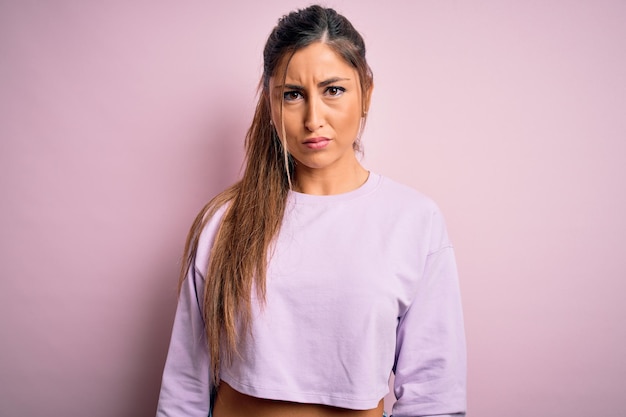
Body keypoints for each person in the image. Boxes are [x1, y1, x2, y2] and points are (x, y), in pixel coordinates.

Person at [156, 5, 466, 417]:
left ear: (366, 92)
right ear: (270, 104)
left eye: (333, 90)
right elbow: (183, 386)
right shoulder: (226, 221)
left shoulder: (413, 220)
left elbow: (435, 393)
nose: (313, 118)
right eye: (292, 94)